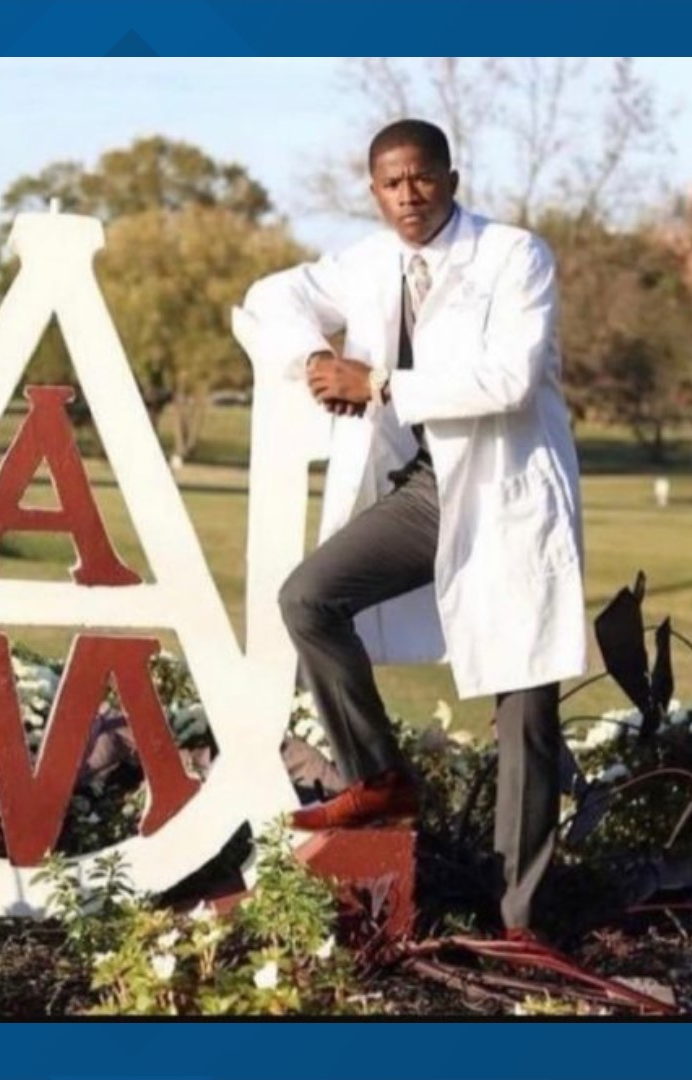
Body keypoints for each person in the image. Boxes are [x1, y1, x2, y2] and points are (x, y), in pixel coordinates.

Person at [242, 119, 586, 937]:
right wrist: (314, 366)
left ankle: (519, 920)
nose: (408, 195)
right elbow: (272, 296)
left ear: (451, 178)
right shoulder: (369, 264)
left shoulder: (514, 256)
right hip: (429, 488)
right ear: (374, 190)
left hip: (510, 492)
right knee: (310, 598)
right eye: (391, 183)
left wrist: (380, 381)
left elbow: (510, 377)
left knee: (524, 706)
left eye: (422, 178)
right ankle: (379, 775)